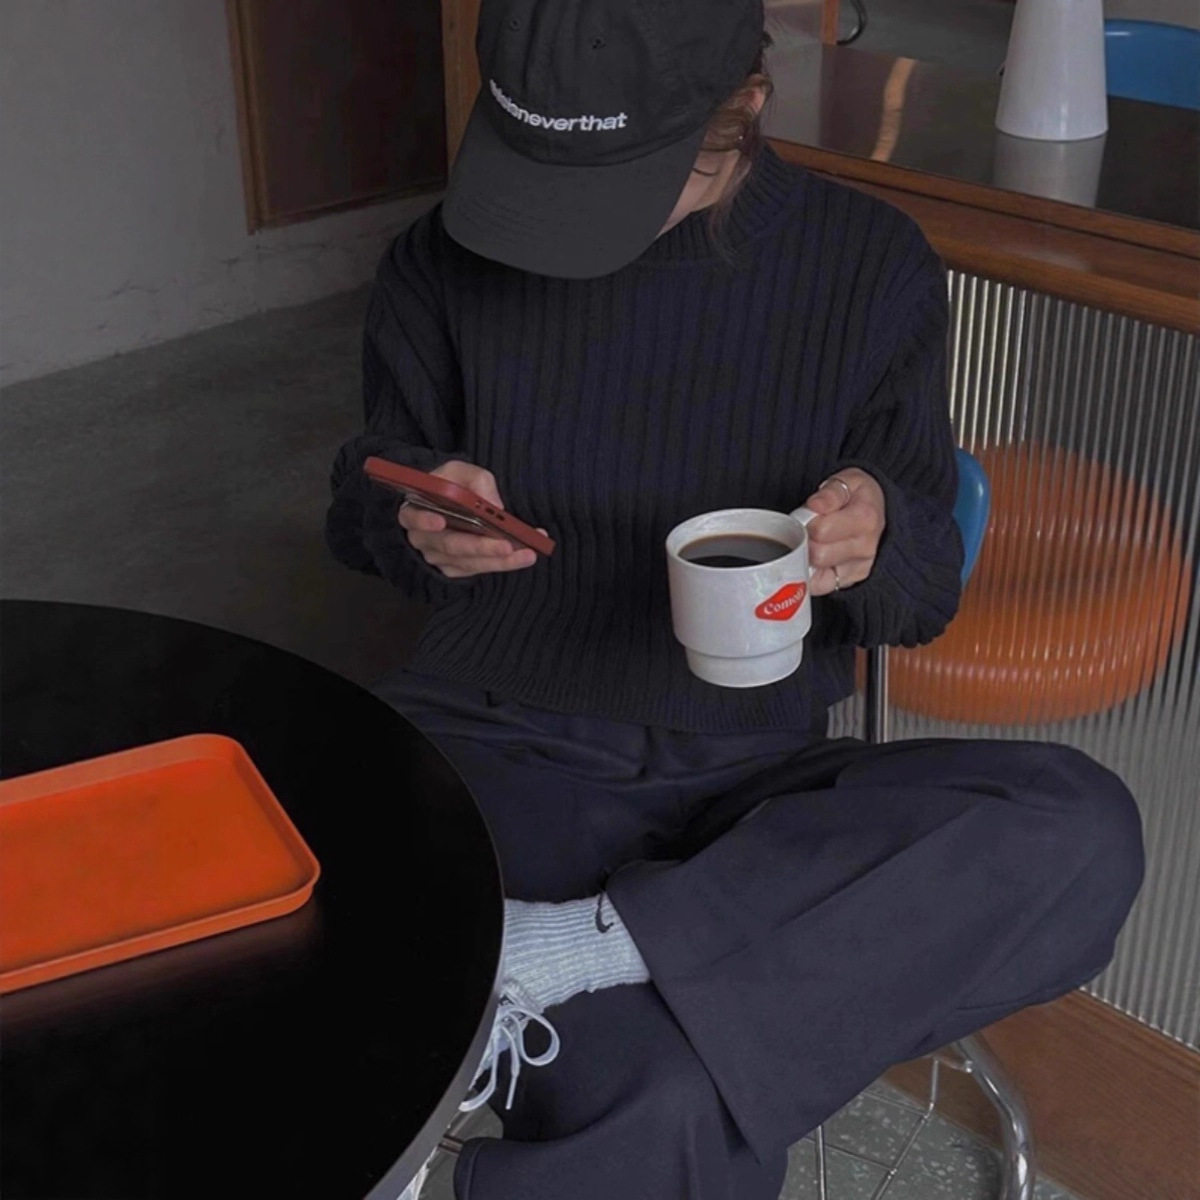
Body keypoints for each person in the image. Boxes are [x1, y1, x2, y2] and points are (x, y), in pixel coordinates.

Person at [326, 2, 1145, 1197]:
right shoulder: (438, 261)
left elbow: (920, 595)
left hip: (760, 782)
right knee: (666, 1090)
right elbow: (364, 499)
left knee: (1082, 830)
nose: (565, 225)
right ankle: (618, 961)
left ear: (745, 107)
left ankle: (572, 948)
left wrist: (878, 538)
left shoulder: (866, 265)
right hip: (498, 744)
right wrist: (413, 519)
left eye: (619, 179)